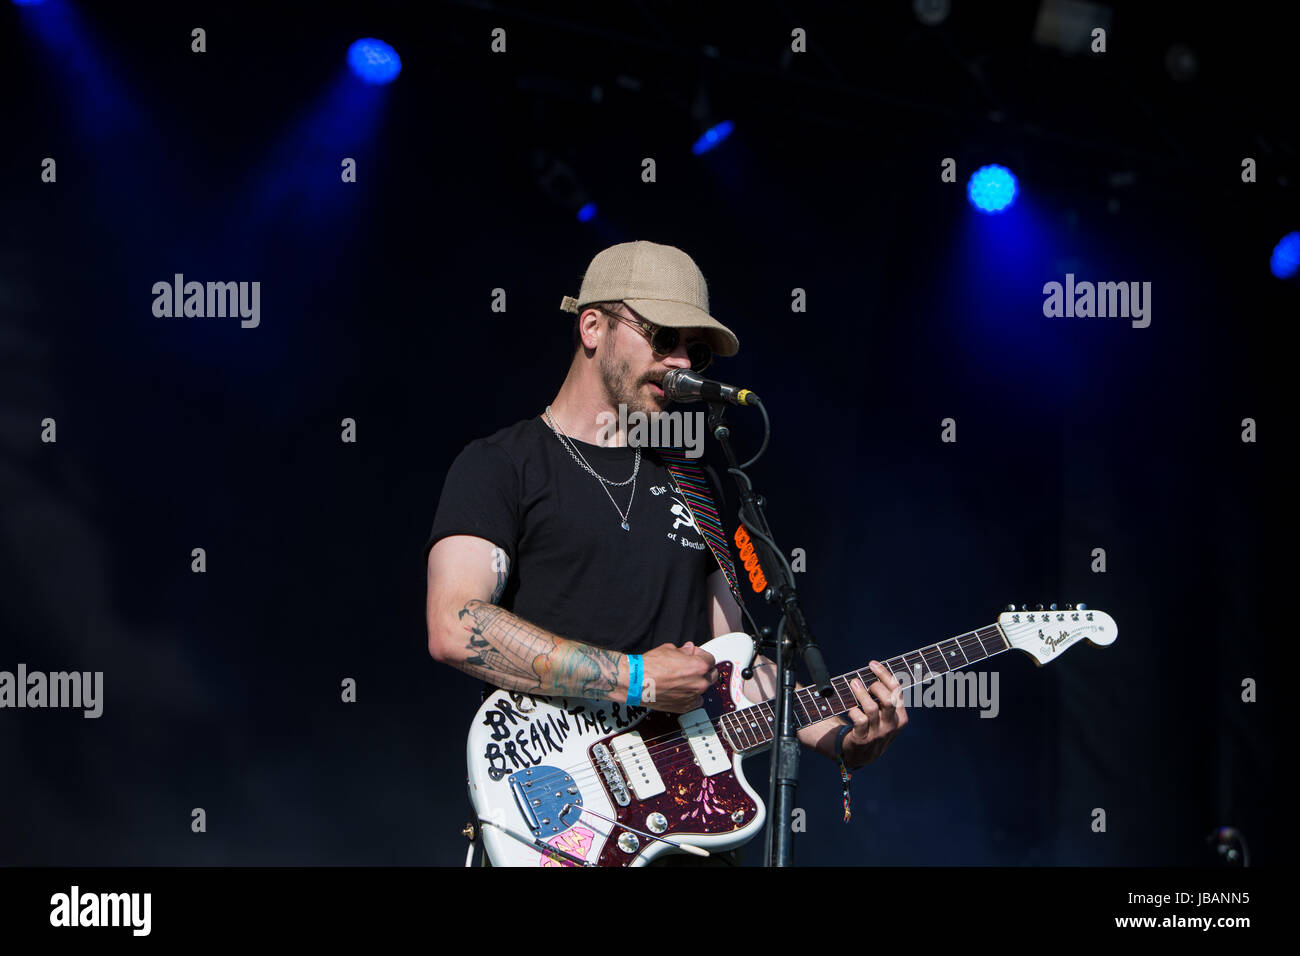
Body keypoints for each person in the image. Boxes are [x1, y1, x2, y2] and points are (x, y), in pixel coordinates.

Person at [423, 240, 906, 866]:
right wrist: (637, 679)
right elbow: (454, 625)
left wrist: (844, 739)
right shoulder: (500, 466)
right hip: (562, 812)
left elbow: (736, 668)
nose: (680, 361)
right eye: (662, 338)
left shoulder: (694, 483)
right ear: (592, 326)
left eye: (693, 350)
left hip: (687, 832)